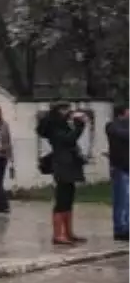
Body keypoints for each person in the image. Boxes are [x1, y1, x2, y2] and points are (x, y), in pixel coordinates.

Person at [37, 103, 89, 246]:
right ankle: (58, 235)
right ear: (58, 111)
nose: (68, 112)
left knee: (69, 197)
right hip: (62, 165)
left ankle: (68, 232)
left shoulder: (64, 125)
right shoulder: (54, 127)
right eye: (65, 109)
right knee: (62, 199)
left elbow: (72, 139)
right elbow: (69, 140)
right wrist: (80, 126)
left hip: (69, 164)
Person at [106, 104, 130, 242]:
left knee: (128, 201)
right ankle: (120, 229)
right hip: (121, 168)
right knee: (122, 200)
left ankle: (127, 226)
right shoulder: (112, 126)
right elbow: (125, 136)